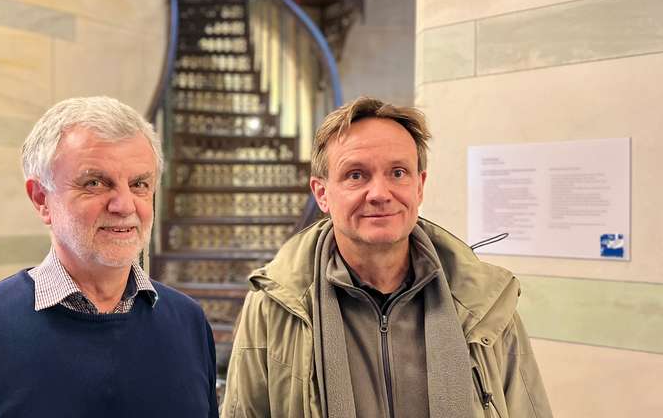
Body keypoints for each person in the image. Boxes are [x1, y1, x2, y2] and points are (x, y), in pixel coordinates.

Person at [221, 97, 552, 418]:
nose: (380, 194)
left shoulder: (485, 303)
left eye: (398, 173)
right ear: (322, 193)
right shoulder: (273, 305)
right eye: (356, 175)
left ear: (419, 187)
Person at [0, 96, 218, 417]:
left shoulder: (189, 324)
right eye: (95, 183)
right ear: (41, 199)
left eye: (139, 184)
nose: (125, 205)